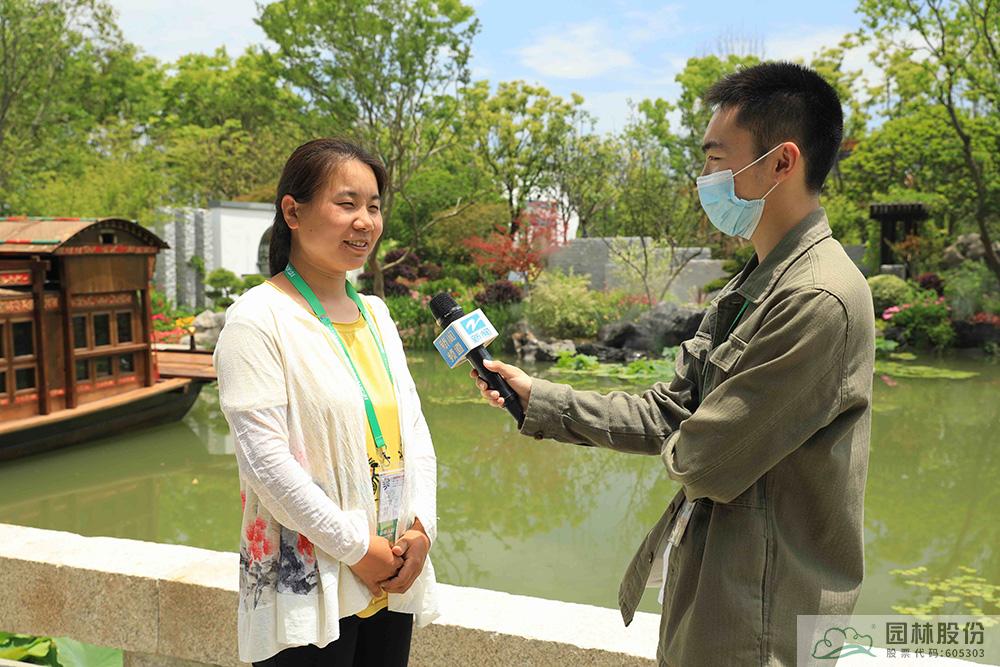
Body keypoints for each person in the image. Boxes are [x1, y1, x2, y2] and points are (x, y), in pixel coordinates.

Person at [471, 62, 875, 666]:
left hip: (760, 625)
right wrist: (541, 399)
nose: (704, 179)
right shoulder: (755, 284)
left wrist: (686, 435)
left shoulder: (818, 297)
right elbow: (673, 412)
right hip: (715, 596)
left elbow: (704, 459)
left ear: (781, 163)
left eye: (716, 159)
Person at [214, 138, 439, 666]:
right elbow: (267, 465)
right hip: (311, 589)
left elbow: (414, 431)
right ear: (293, 212)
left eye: (374, 207)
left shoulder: (377, 314)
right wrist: (357, 548)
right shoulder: (257, 319)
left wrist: (422, 530)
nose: (365, 221)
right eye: (347, 203)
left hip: (393, 571)